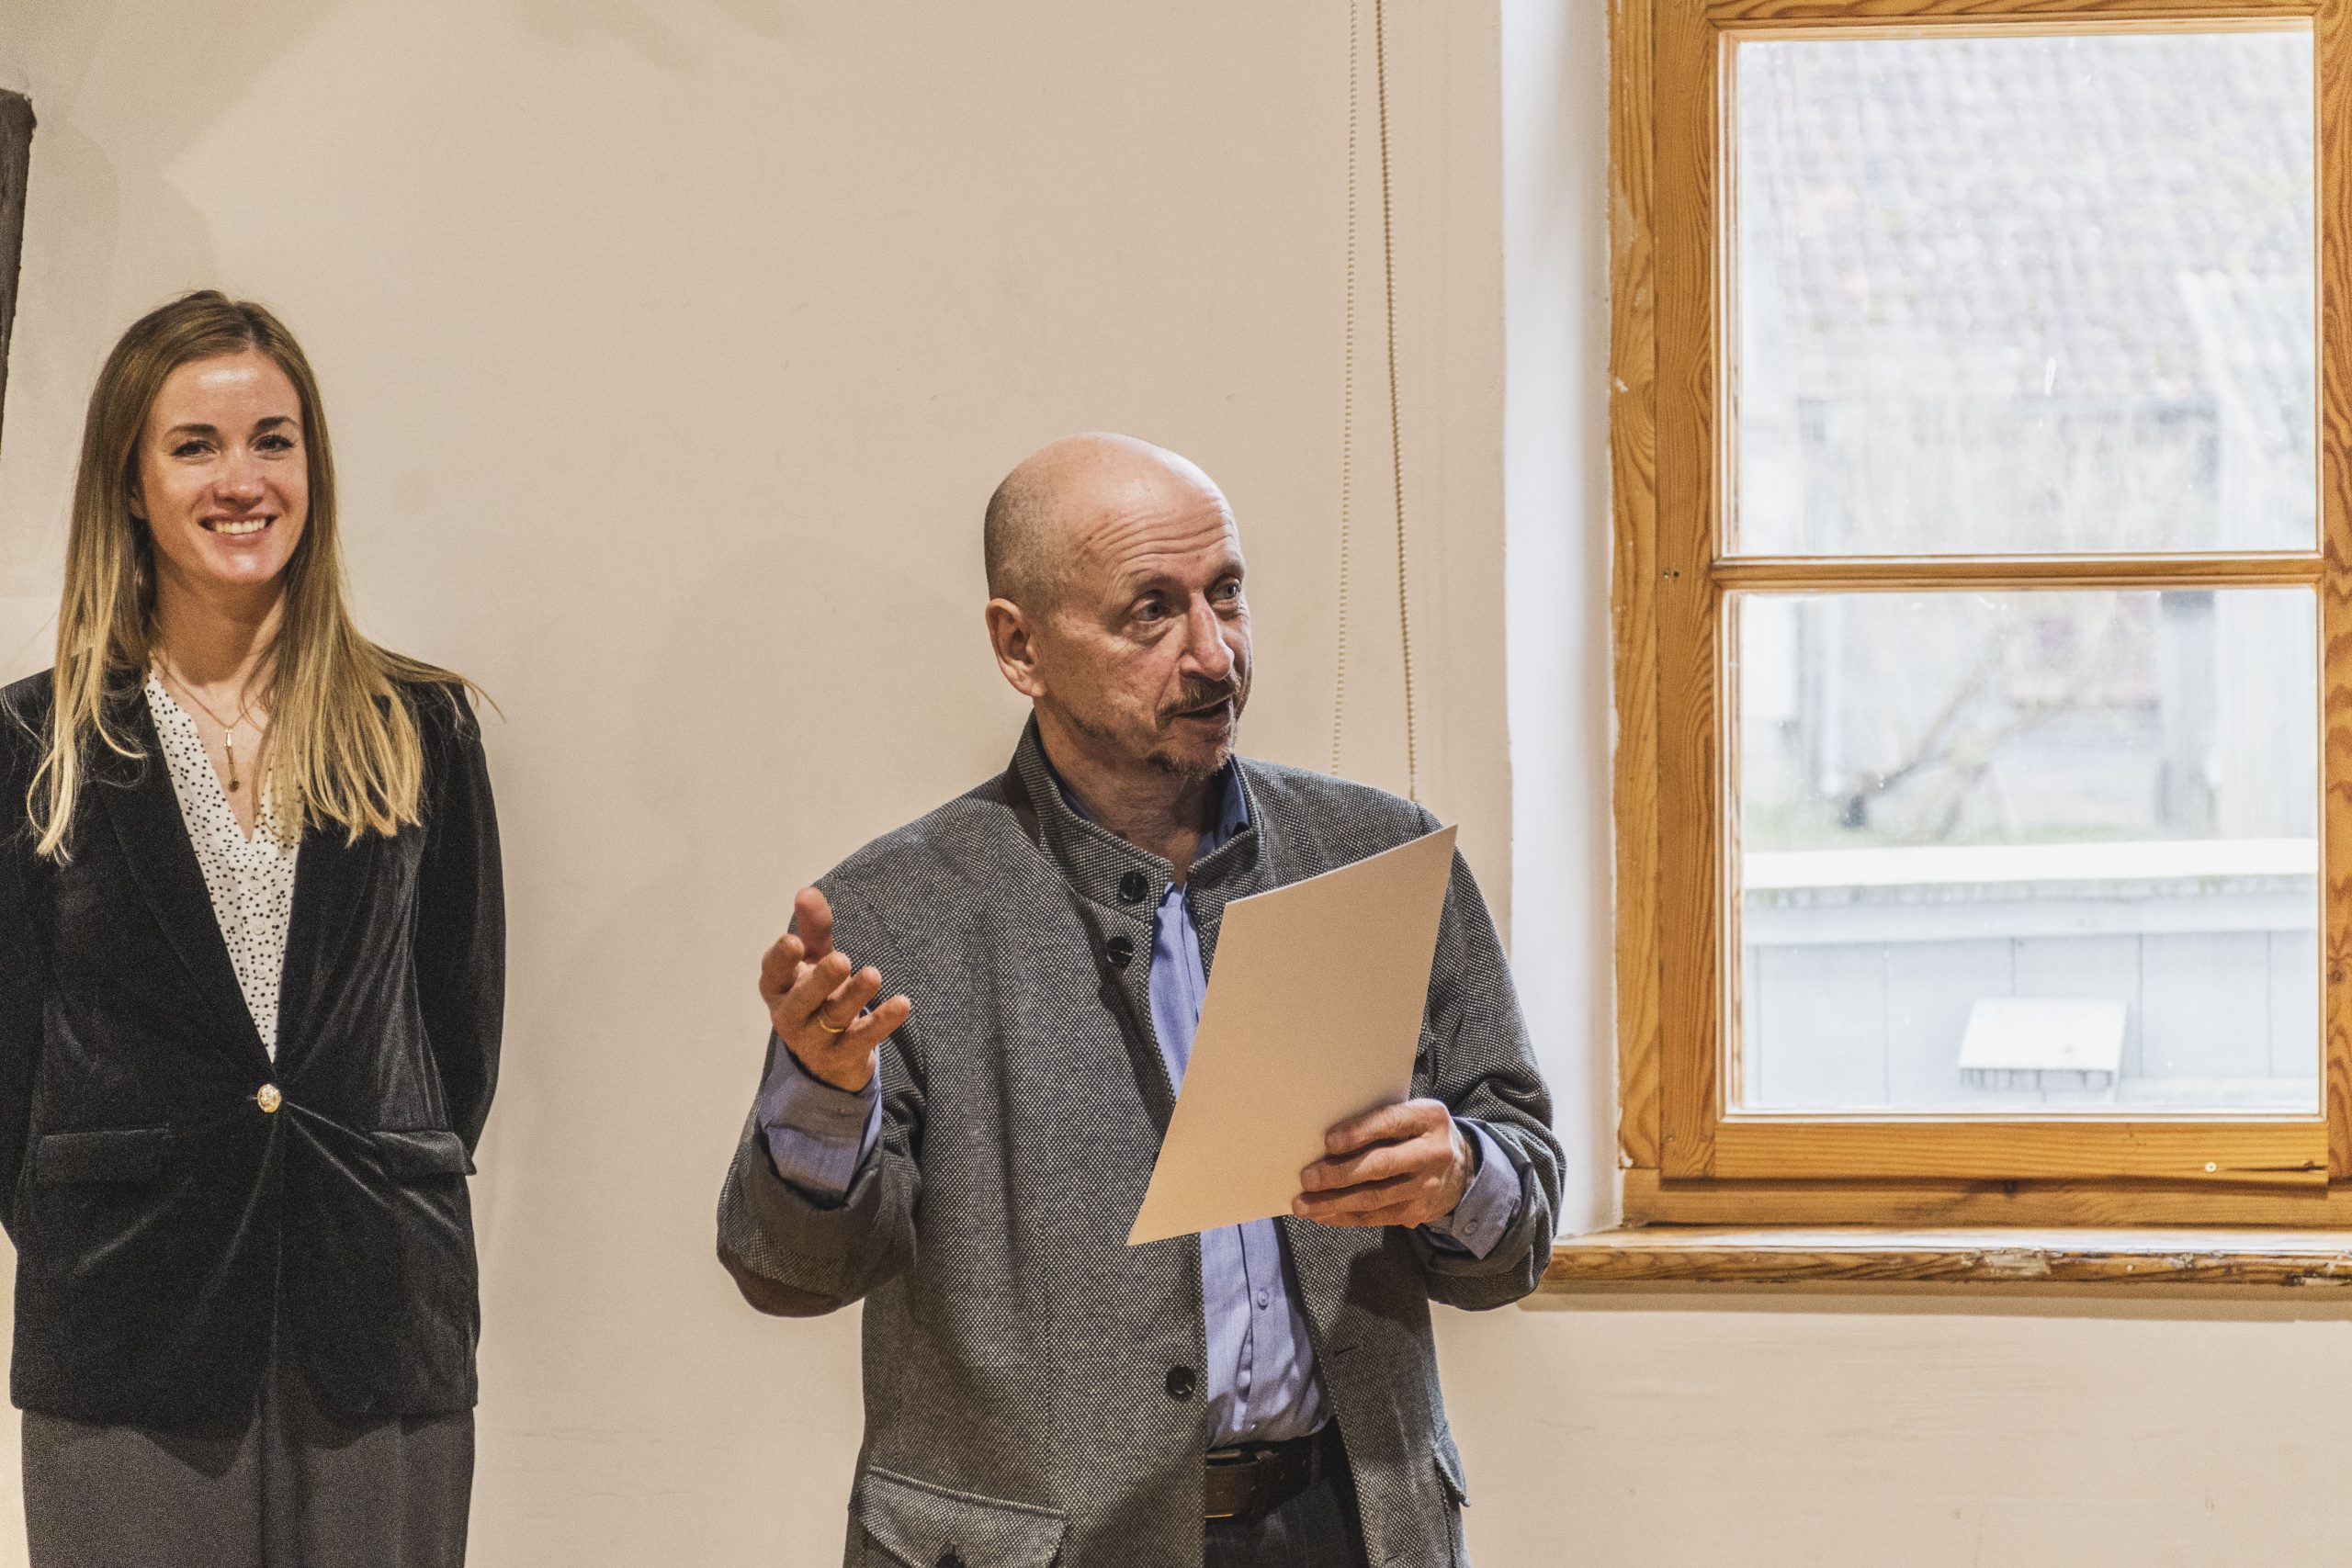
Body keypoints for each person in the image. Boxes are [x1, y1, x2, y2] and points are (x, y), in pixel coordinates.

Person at [718, 433, 1562, 1567]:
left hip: (1348, 1525)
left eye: (1227, 594)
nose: (1214, 653)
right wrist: (824, 1097)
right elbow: (792, 1273)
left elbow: (1519, 1224)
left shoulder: (1376, 856)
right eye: (1150, 612)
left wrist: (1459, 1175)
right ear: (1019, 646)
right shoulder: (893, 914)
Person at [0, 292, 503, 1567]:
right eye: (196, 446)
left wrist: (364, 1182)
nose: (243, 480)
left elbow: (457, 1041)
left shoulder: (421, 728)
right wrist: (108, 1217)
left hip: (379, 1325)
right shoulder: (29, 744)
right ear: (130, 482)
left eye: (273, 440)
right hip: (129, 1335)